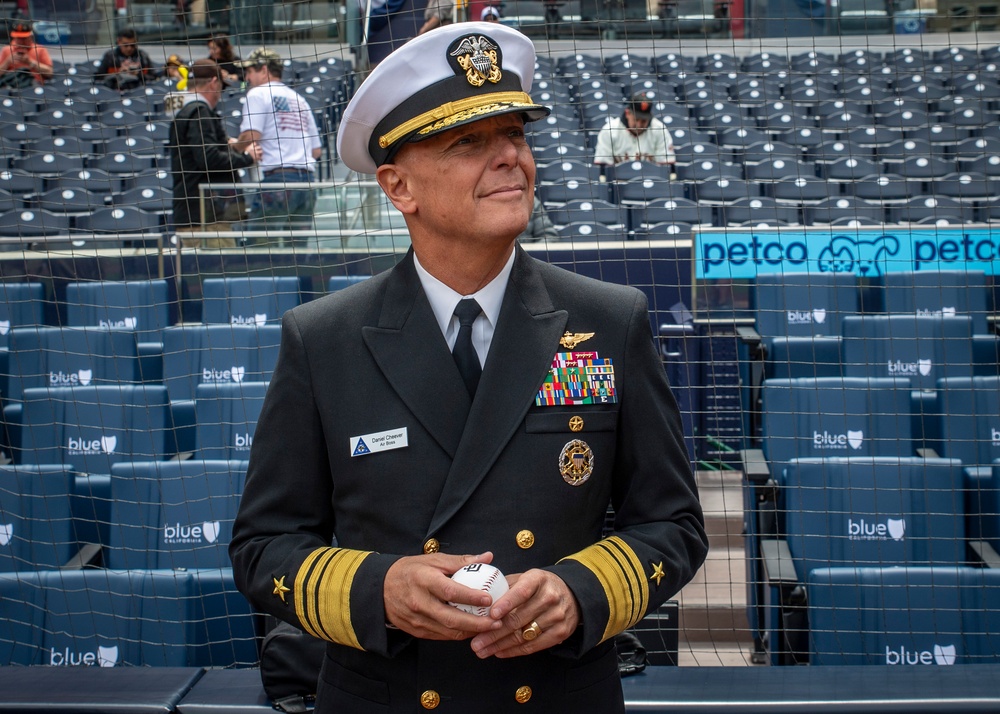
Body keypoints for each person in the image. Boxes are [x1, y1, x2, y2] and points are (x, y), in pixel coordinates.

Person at [230, 22, 707, 714]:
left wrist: (580, 589)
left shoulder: (610, 320)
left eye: (515, 134)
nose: (510, 157)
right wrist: (379, 590)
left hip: (554, 695)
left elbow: (674, 525)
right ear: (399, 188)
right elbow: (263, 546)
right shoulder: (322, 338)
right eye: (469, 143)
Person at [169, 59, 260, 248]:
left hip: (196, 215)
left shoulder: (186, 111)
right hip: (205, 219)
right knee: (222, 272)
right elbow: (208, 158)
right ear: (213, 82)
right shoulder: (200, 112)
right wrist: (247, 158)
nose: (220, 94)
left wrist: (230, 149)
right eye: (221, 87)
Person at [234, 48, 322, 243]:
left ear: (264, 70)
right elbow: (316, 151)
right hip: (307, 182)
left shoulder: (258, 94)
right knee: (298, 250)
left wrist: (235, 148)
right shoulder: (300, 100)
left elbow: (250, 134)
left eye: (250, 72)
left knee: (261, 250)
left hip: (278, 180)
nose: (247, 77)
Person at [593, 91, 676, 166]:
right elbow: (602, 168)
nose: (639, 125)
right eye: (636, 119)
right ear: (627, 113)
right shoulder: (609, 130)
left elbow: (666, 167)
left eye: (643, 121)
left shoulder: (659, 129)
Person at [0, 21, 53, 87]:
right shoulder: (7, 50)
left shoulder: (40, 50)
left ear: (30, 37)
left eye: (24, 38)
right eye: (18, 38)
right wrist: (7, 62)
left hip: (32, 86)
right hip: (11, 85)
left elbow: (49, 73)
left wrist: (30, 62)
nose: (20, 41)